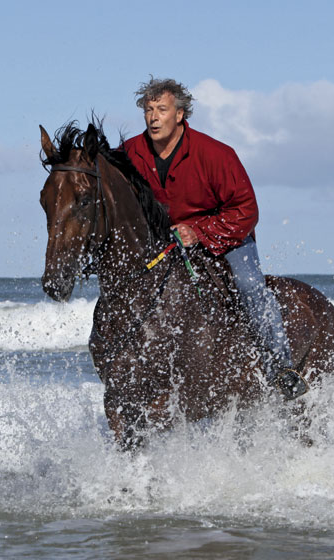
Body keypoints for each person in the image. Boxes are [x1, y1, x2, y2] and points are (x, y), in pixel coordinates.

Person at [122, 77, 308, 400]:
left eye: (161, 109)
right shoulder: (132, 153)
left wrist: (200, 232)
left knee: (250, 285)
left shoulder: (215, 154)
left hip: (228, 235)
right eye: (148, 110)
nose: (153, 117)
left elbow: (247, 208)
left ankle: (282, 368)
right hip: (166, 241)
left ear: (179, 115)